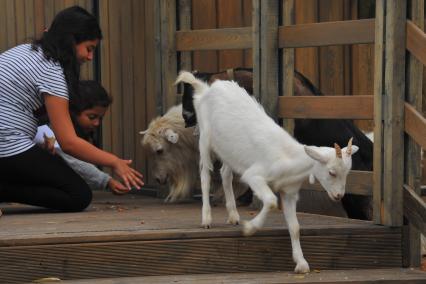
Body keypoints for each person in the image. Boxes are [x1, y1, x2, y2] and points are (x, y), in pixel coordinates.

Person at [0, 6, 143, 213]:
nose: (90, 57)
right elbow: (68, 143)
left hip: (7, 142)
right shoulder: (51, 71)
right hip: (7, 143)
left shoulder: (27, 51)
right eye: (89, 48)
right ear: (70, 41)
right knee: (78, 195)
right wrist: (114, 161)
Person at [34, 80, 129, 195]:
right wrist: (107, 181)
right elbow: (75, 161)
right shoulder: (50, 130)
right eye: (92, 117)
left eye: (100, 118)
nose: (97, 123)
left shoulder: (81, 131)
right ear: (73, 112)